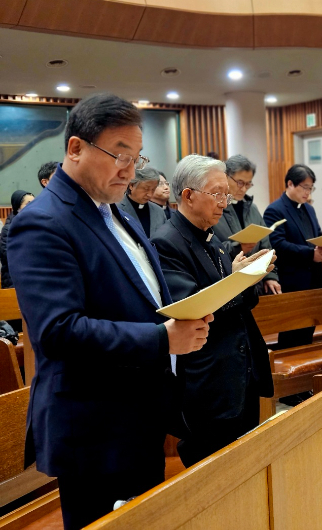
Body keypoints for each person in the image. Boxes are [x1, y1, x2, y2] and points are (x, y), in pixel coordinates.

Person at [6, 93, 211, 530]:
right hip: (93, 422)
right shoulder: (42, 222)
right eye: (119, 155)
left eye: (136, 157)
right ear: (75, 148)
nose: (130, 169)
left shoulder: (117, 210)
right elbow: (58, 331)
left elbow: (141, 293)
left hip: (141, 409)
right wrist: (163, 339)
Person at [152, 154, 275, 468]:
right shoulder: (167, 243)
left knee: (245, 466)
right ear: (188, 196)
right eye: (218, 193)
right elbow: (194, 308)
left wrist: (246, 281)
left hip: (238, 372)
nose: (226, 202)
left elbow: (240, 303)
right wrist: (238, 281)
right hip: (207, 381)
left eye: (227, 194)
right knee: (214, 472)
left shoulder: (217, 238)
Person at [263, 164, 322, 349]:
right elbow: (278, 245)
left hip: (313, 279)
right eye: (305, 187)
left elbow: (318, 234)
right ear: (290, 184)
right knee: (291, 336)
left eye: (311, 188)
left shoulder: (309, 209)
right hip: (292, 281)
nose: (308, 192)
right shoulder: (275, 210)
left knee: (308, 332)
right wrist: (310, 254)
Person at [213, 154, 281, 295]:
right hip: (229, 284)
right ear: (226, 177)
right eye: (240, 182)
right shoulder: (214, 209)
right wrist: (237, 247)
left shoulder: (252, 208)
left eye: (248, 184)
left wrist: (270, 276)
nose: (244, 189)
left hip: (257, 284)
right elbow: (211, 248)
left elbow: (266, 246)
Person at [117, 166, 167, 238]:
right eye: (146, 189)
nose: (150, 194)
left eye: (153, 189)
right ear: (131, 185)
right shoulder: (117, 208)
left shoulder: (159, 211)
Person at [0, 190, 35, 288]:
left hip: (33, 278)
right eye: (28, 203)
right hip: (15, 280)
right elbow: (8, 255)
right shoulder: (9, 228)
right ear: (17, 206)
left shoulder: (35, 223)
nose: (33, 206)